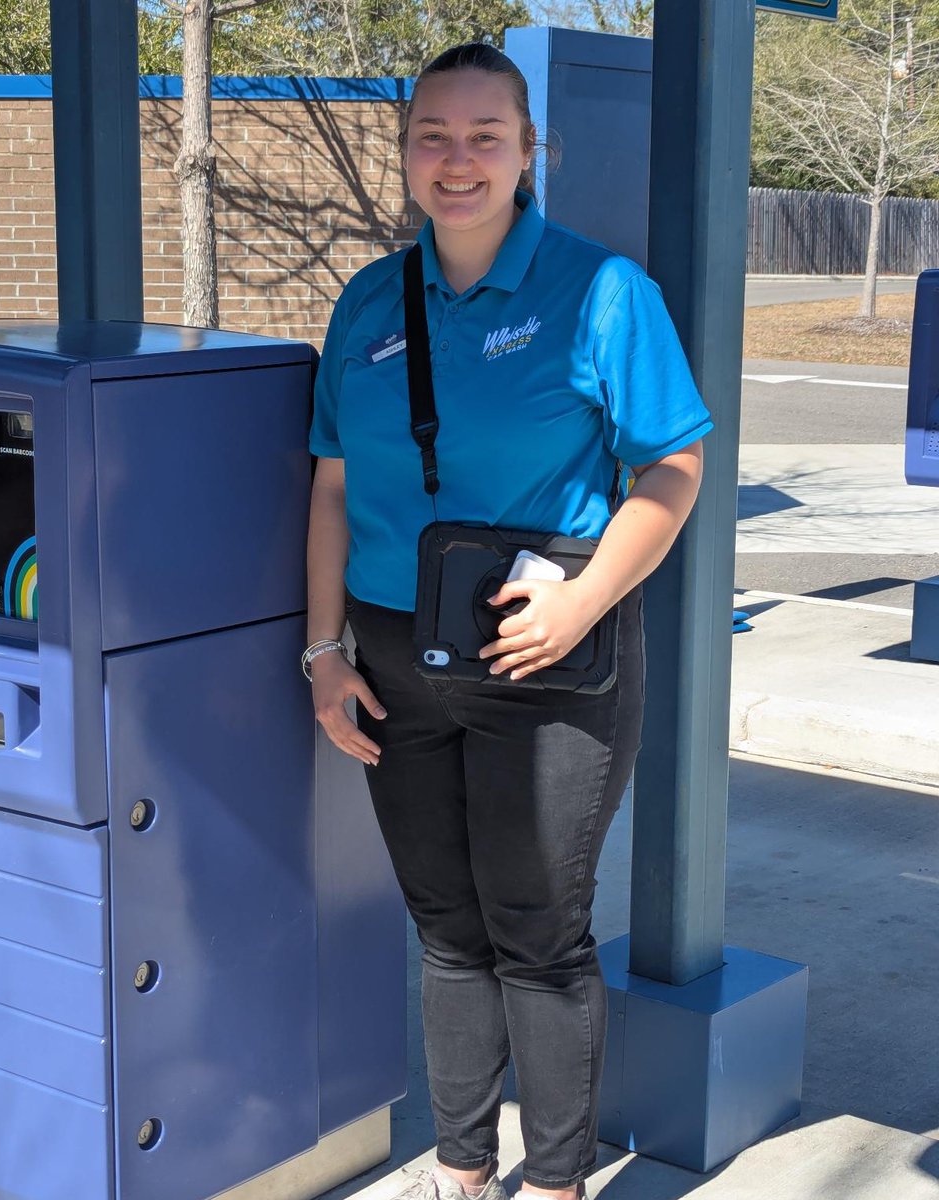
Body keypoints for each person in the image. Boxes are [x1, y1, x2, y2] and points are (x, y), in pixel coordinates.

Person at [304, 41, 712, 1200]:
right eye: (434, 135)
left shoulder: (601, 291)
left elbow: (671, 471)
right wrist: (324, 653)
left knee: (537, 929)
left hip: (547, 659)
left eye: (488, 136)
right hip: (392, 662)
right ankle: (462, 1165)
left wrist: (584, 597)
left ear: (531, 153)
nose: (459, 159)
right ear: (405, 154)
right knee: (445, 928)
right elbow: (332, 486)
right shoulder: (368, 301)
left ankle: (556, 1182)